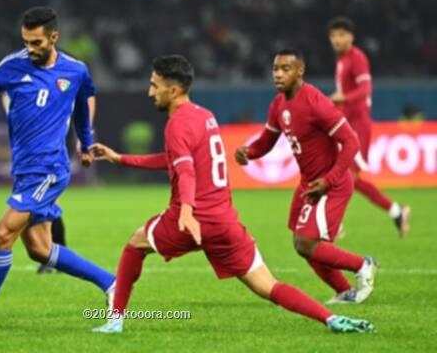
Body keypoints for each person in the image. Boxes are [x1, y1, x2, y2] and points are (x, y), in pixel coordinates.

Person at [90, 55, 375, 334]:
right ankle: (331, 319)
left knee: (135, 244)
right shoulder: (206, 116)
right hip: (225, 223)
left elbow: (185, 171)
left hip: (192, 219)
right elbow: (175, 160)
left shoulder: (176, 124)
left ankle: (115, 321)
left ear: (173, 90)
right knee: (269, 286)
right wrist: (121, 158)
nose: (150, 92)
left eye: (154, 85)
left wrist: (187, 211)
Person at [0, 6, 115, 306]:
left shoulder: (76, 71)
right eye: (26, 42)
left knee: (3, 232)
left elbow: (83, 108)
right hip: (24, 170)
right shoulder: (12, 66)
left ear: (54, 37)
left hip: (50, 168)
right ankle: (111, 283)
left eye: (36, 42)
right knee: (40, 249)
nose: (30, 48)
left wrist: (86, 143)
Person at [235, 49, 379, 305]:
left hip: (332, 184)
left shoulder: (315, 102)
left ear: (300, 71)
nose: (278, 74)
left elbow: (351, 141)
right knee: (303, 245)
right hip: (309, 184)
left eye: (285, 69)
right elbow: (266, 142)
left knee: (306, 243)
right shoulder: (278, 104)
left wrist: (329, 180)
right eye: (275, 69)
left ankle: (363, 264)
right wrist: (248, 152)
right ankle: (344, 291)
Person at [328, 17, 410, 237]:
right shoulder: (341, 60)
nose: (337, 40)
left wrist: (343, 97)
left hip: (358, 126)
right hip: (346, 123)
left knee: (347, 175)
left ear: (351, 37)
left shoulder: (357, 58)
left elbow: (365, 89)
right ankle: (397, 211)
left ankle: (334, 224)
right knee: (349, 178)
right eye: (333, 36)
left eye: (341, 35)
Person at [1, 90, 97, 274]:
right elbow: (6, 96)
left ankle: (54, 255)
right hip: (30, 142)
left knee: (47, 199)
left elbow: (87, 98)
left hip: (55, 140)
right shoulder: (16, 76)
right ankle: (55, 255)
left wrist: (84, 134)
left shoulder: (68, 74)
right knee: (45, 200)